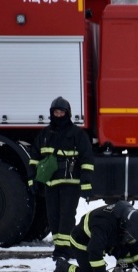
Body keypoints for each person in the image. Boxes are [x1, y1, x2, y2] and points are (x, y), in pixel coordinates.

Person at [28, 96, 94, 262]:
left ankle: (67, 249)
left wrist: (86, 183)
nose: (58, 115)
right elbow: (34, 158)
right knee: (53, 217)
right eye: (56, 112)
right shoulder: (44, 134)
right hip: (51, 183)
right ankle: (59, 248)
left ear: (68, 113)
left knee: (66, 216)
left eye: (61, 112)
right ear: (52, 113)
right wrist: (33, 180)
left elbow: (87, 160)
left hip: (70, 184)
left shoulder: (77, 134)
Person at [52, 201, 138, 272]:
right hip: (82, 240)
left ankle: (122, 268)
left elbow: (136, 246)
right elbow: (94, 252)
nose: (130, 238)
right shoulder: (103, 224)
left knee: (126, 247)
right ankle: (63, 267)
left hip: (106, 238)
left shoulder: (130, 221)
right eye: (129, 235)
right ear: (124, 224)